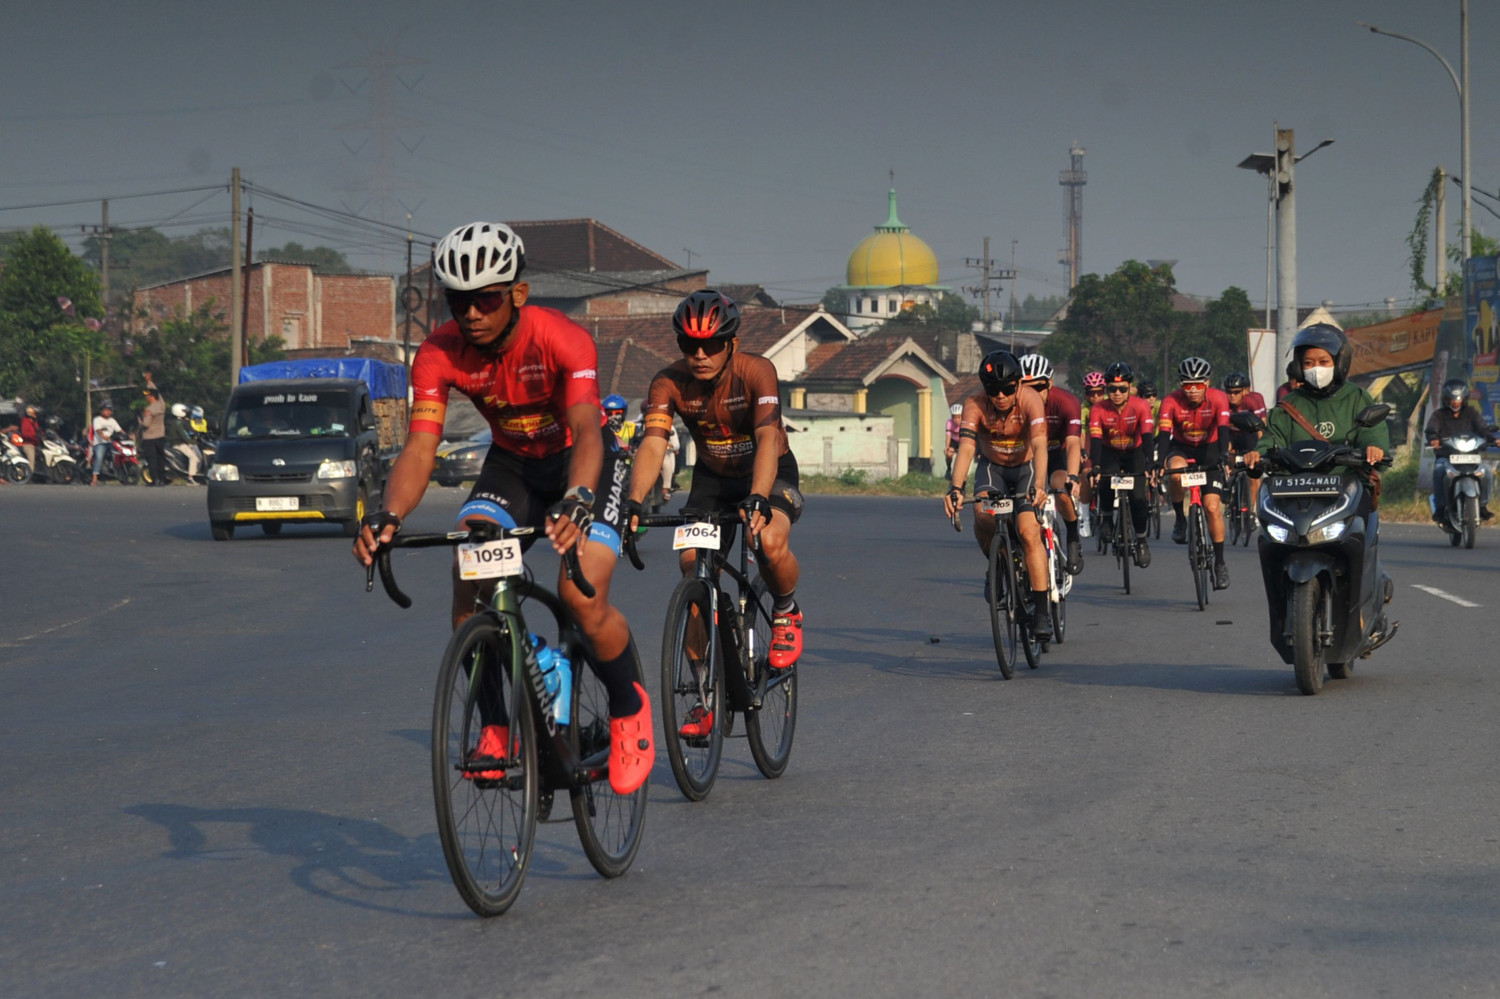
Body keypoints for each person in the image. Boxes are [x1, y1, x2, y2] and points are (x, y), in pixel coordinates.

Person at [354, 221, 653, 795]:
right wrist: (388, 514)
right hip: (513, 464)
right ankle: (496, 723)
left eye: (486, 299)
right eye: (457, 301)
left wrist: (579, 498)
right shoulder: (438, 353)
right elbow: (420, 447)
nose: (471, 314)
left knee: (580, 596)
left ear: (518, 293)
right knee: (469, 568)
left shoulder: (562, 339)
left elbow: (587, 428)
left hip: (583, 462)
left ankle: (627, 707)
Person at [627, 289, 807, 695]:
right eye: (689, 345)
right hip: (713, 481)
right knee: (692, 568)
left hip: (768, 471)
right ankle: (703, 692)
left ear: (732, 344)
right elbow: (654, 443)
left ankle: (785, 610)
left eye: (710, 345)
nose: (700, 354)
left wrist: (758, 496)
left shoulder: (756, 371)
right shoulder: (668, 382)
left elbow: (767, 436)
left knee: (768, 540)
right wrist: (634, 500)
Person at [944, 349, 1053, 639]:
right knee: (982, 515)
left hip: (1026, 468)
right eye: (994, 390)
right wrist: (956, 488)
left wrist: (1040, 484)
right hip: (993, 469)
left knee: (1029, 532)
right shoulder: (975, 403)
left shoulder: (1030, 400)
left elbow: (1040, 445)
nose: (1001, 396)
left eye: (1007, 389)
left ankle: (1042, 611)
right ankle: (997, 563)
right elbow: (967, 448)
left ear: (1018, 384)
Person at [1156, 356, 1232, 589]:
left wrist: (1224, 456)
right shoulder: (1170, 401)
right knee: (1175, 473)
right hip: (1182, 447)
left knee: (1212, 508)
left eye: (1197, 385)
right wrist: (1159, 463)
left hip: (1210, 449)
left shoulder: (1219, 398)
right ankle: (1180, 518)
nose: (1192, 390)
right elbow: (1164, 434)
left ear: (1207, 383)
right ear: (1180, 385)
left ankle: (1220, 563)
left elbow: (1224, 429)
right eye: (1187, 385)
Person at [1019, 353, 1084, 574]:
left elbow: (1073, 442)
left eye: (1038, 387)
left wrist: (1073, 476)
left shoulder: (1067, 402)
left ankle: (1073, 537)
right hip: (1029, 456)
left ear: (1050, 384)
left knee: (1061, 489)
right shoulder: (1016, 404)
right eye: (1026, 387)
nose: (1032, 393)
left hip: (1058, 454)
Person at [1087, 362, 1154, 568]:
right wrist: (1095, 467)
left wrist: (1150, 464)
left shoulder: (1141, 406)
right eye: (1112, 389)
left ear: (1130, 387)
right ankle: (1107, 518)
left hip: (1135, 452)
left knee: (1138, 497)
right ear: (1107, 389)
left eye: (1122, 389)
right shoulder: (1098, 409)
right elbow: (1096, 440)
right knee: (1106, 479)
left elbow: (1147, 437)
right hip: (1110, 452)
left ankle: (1141, 540)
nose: (1117, 393)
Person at [1425, 378, 1495, 525]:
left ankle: (1482, 505)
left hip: (1471, 457)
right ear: (1446, 399)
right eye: (1452, 400)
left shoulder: (1471, 413)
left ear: (1464, 399)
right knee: (1439, 472)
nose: (1455, 403)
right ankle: (1440, 508)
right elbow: (1432, 429)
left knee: (1488, 472)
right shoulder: (1439, 415)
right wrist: (1433, 438)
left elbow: (1483, 429)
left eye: (1458, 400)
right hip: (1447, 457)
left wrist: (1493, 439)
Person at [1223, 371, 1267, 512]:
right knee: (1225, 451)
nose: (1232, 395)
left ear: (1244, 391)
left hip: (1249, 436)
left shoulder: (1252, 401)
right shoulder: (1223, 403)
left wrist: (1261, 449)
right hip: (1232, 436)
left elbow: (1261, 428)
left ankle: (1250, 510)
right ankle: (1229, 482)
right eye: (1229, 392)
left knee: (1253, 474)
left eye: (1236, 392)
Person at [1076, 370, 1107, 538]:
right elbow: (1081, 432)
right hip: (1089, 439)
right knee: (1087, 473)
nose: (1095, 396)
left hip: (1106, 438)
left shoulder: (1110, 403)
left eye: (1099, 392)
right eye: (1091, 393)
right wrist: (1082, 451)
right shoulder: (1083, 409)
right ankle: (1085, 516)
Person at [138, 388, 168, 486]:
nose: (146, 398)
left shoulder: (149, 409)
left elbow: (146, 424)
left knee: (152, 459)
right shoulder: (162, 406)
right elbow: (160, 397)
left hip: (149, 437)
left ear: (151, 397)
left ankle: (154, 480)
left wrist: (140, 423)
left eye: (147, 396)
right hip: (160, 436)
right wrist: (150, 382)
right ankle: (162, 479)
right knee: (160, 459)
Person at [166, 402, 201, 481]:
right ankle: (191, 477)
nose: (186, 412)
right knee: (194, 458)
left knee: (197, 458)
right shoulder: (178, 423)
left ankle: (196, 474)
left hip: (181, 443)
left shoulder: (176, 421)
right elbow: (184, 435)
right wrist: (193, 442)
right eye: (184, 411)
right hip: (179, 444)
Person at [91, 401, 123, 485]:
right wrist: (102, 436)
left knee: (120, 453)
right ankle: (95, 477)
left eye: (110, 410)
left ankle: (116, 471)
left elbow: (119, 430)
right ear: (101, 410)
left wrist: (126, 435)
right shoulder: (97, 419)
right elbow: (98, 430)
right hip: (100, 443)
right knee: (99, 457)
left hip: (110, 442)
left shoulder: (112, 421)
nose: (108, 412)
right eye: (106, 410)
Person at [19, 404, 42, 477]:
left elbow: (38, 431)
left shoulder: (34, 422)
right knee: (31, 461)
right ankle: (27, 476)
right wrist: (34, 437)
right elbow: (25, 434)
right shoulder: (25, 421)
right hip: (28, 444)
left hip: (35, 443)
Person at [944, 402, 963, 479]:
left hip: (962, 441)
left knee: (962, 456)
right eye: (954, 417)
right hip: (953, 441)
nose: (956, 420)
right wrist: (947, 447)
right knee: (949, 454)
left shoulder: (964, 422)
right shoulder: (949, 422)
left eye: (958, 417)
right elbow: (948, 436)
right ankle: (948, 468)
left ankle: (961, 473)